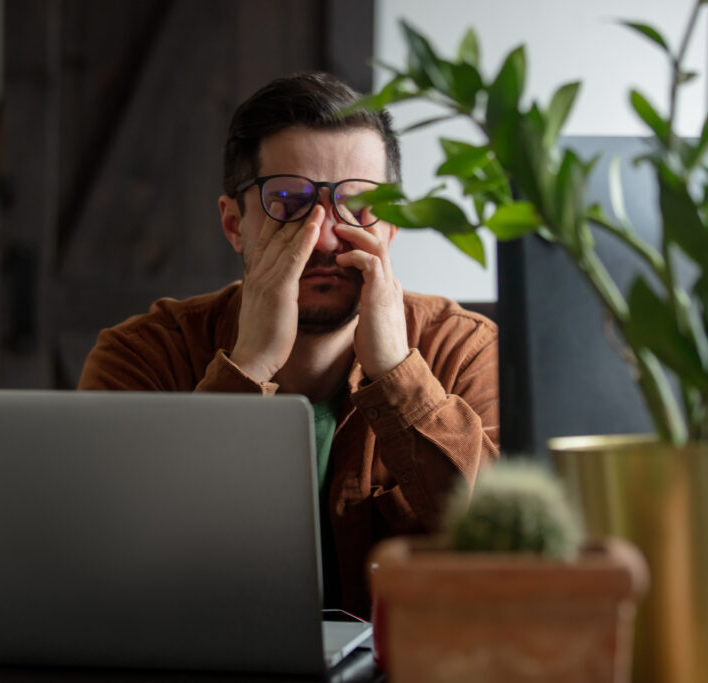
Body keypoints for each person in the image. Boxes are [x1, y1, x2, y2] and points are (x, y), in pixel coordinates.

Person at [79, 72, 500, 617]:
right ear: (234, 225)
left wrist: (397, 373)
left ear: (390, 229)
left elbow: (510, 550)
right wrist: (247, 366)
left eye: (358, 205)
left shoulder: (461, 349)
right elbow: (114, 557)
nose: (324, 237)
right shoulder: (141, 356)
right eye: (288, 202)